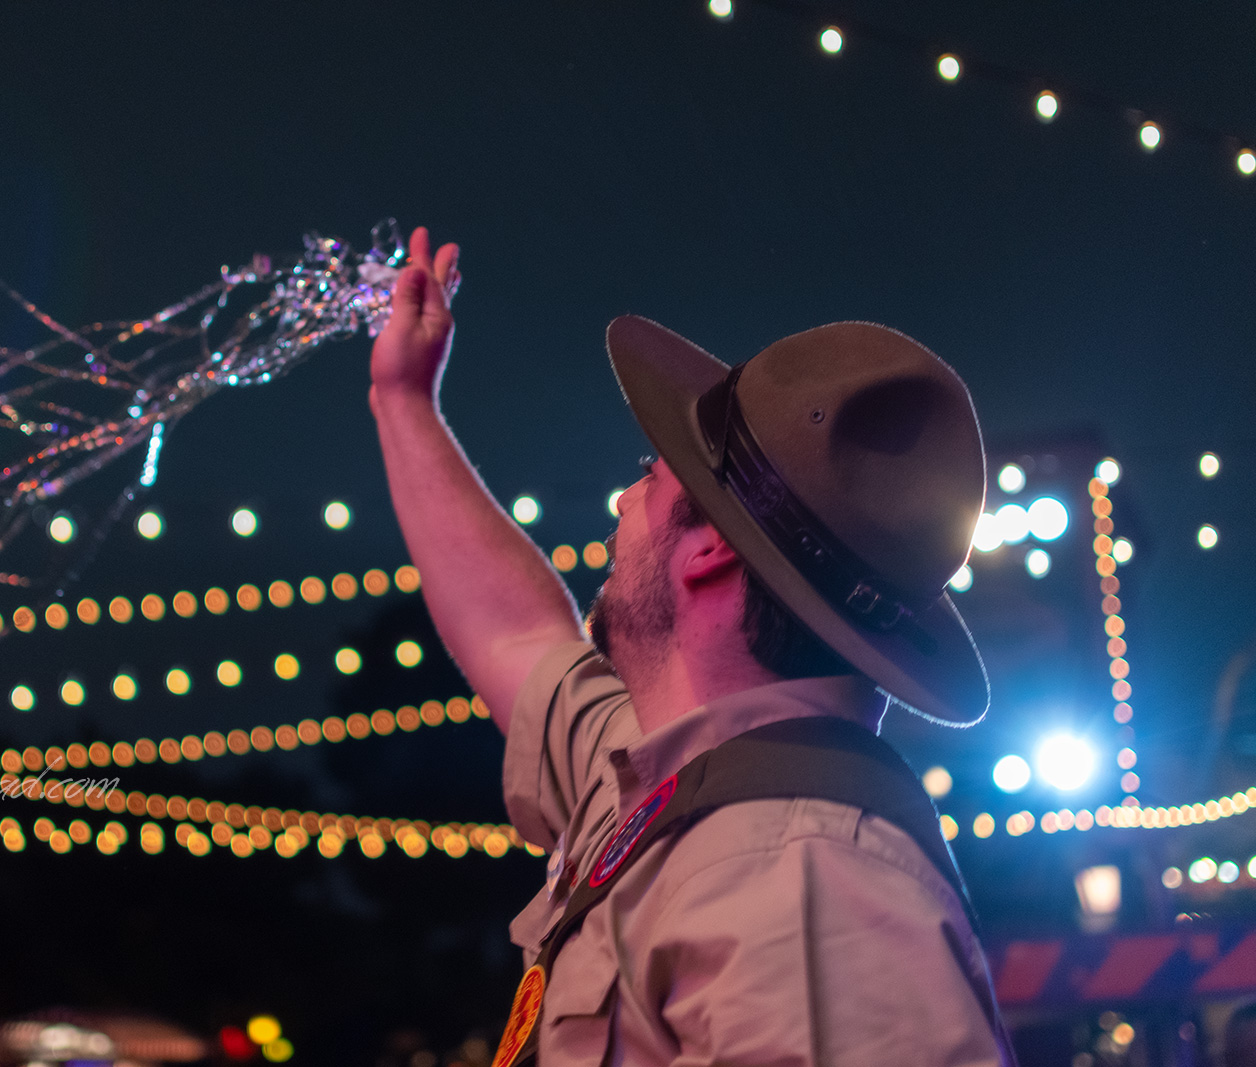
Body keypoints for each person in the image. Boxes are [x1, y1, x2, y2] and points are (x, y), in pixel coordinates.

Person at [369, 227, 1014, 1066]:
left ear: (707, 551)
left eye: (653, 472)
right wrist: (404, 402)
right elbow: (516, 634)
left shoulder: (806, 872)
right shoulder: (663, 775)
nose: (623, 498)